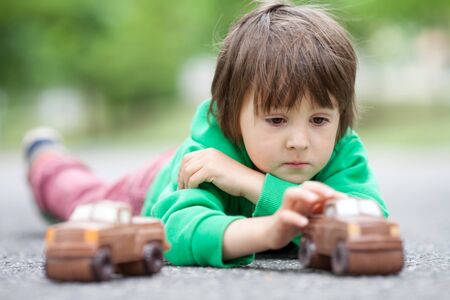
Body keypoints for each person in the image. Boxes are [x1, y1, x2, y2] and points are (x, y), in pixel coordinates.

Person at [24, 2, 388, 267]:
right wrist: (267, 232)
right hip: (169, 179)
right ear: (230, 115)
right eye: (277, 120)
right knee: (84, 200)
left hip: (225, 167)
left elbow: (366, 221)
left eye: (319, 120)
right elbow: (177, 232)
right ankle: (46, 159)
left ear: (341, 116)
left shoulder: (341, 150)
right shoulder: (215, 150)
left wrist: (253, 185)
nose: (300, 141)